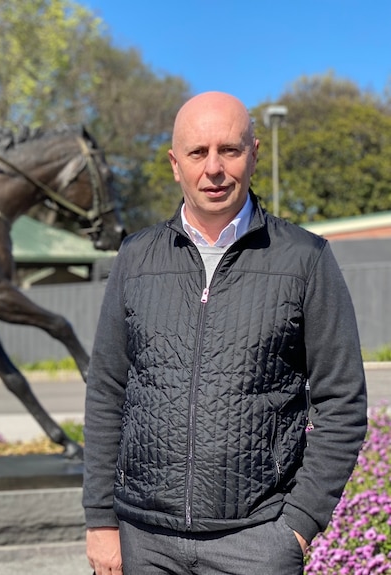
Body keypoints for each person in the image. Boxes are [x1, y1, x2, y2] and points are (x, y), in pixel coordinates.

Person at [83, 91, 368, 574]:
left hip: (256, 542)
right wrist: (100, 521)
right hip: (143, 541)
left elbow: (343, 401)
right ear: (176, 165)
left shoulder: (305, 259)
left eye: (229, 150)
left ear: (254, 153)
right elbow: (108, 390)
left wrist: (297, 525)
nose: (213, 168)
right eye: (198, 153)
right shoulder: (136, 258)